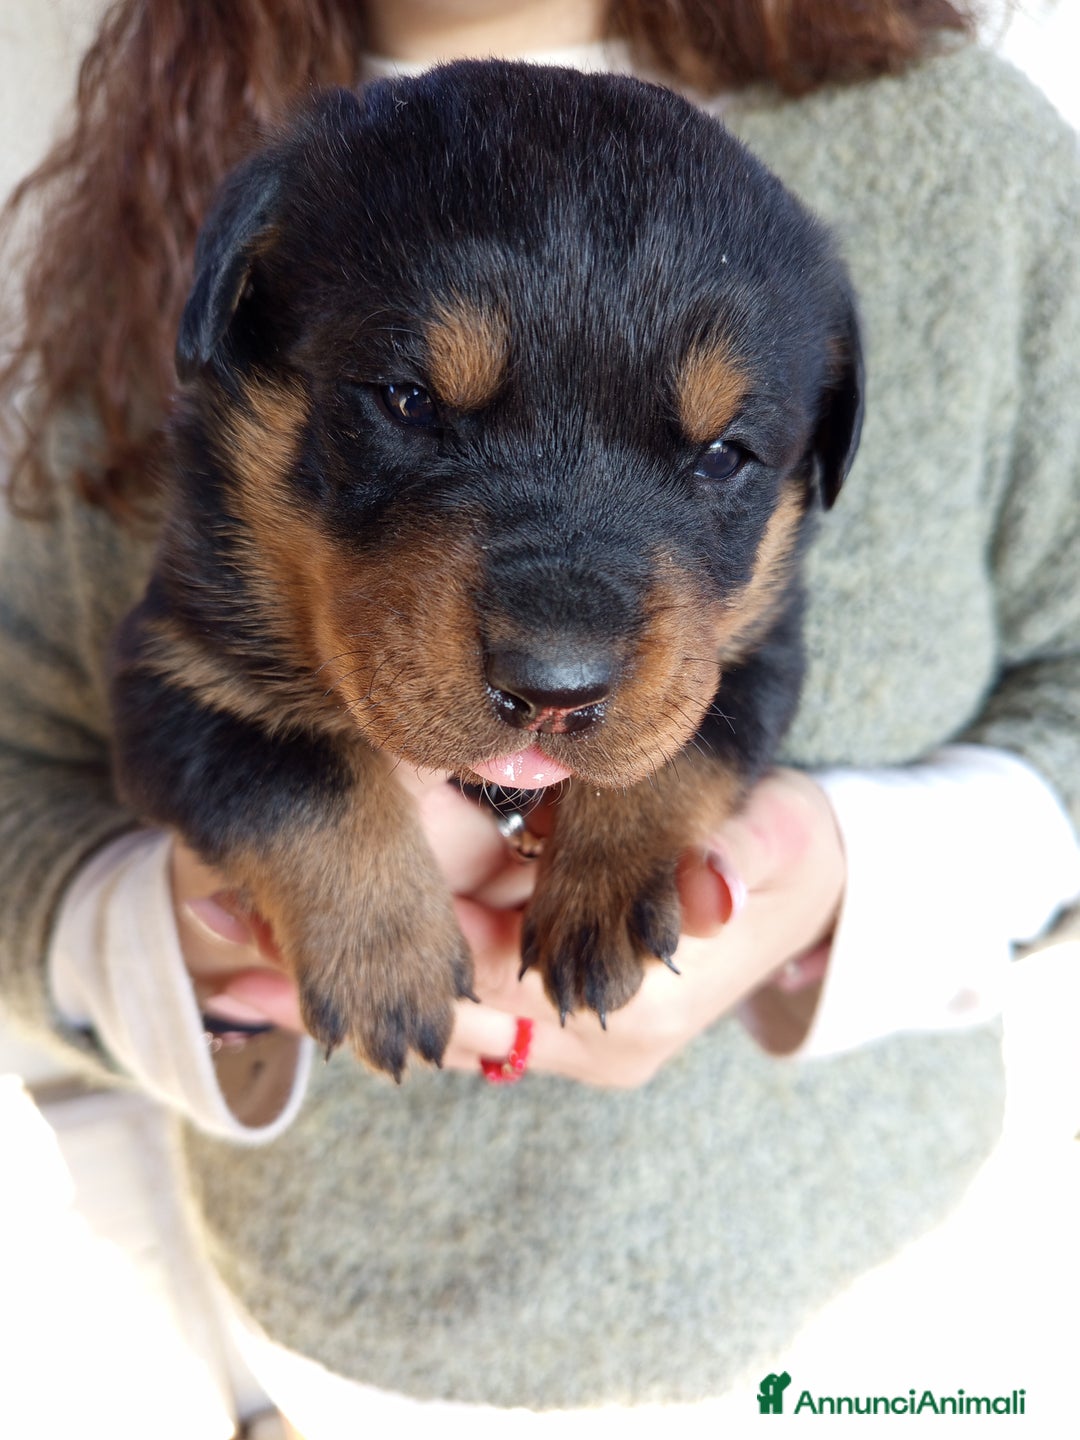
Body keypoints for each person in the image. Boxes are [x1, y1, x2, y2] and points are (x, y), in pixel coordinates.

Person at [2, 0, 1079, 1430]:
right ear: (233, 329)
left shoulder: (974, 165)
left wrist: (839, 875)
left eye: (719, 462)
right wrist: (191, 938)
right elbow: (33, 770)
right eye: (407, 402)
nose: (569, 650)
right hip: (344, 1336)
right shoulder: (162, 182)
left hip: (881, 1323)